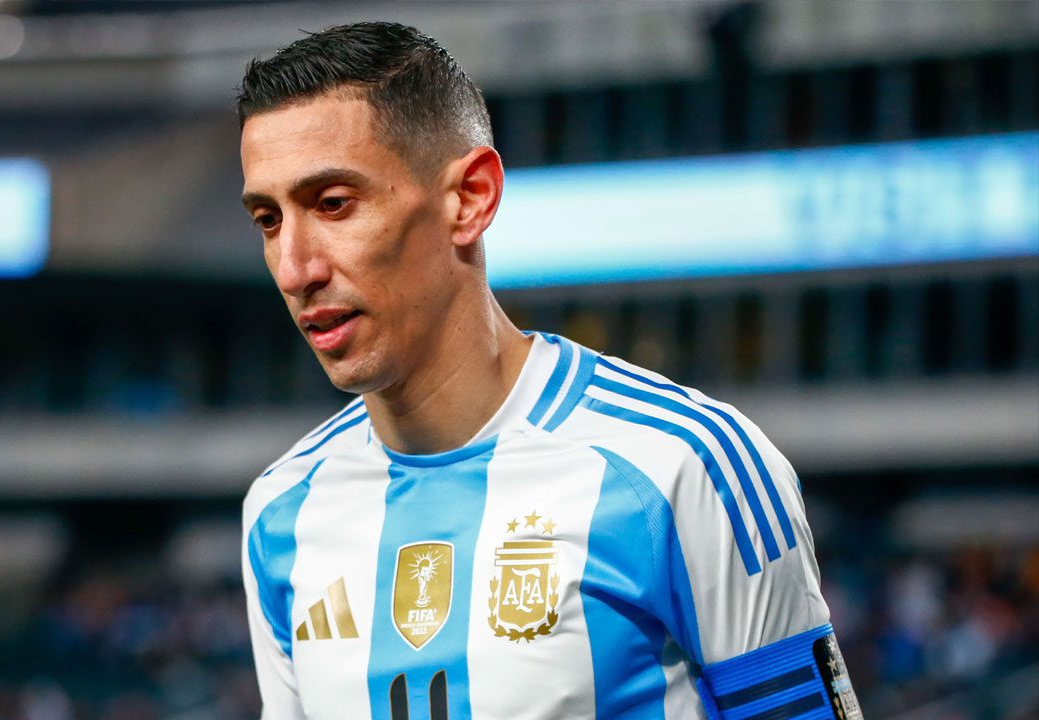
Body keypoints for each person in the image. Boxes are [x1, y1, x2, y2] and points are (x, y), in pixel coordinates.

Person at [236, 21, 863, 720]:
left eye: (333, 205)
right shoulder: (281, 509)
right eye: (268, 219)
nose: (294, 269)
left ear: (470, 198)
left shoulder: (685, 465)